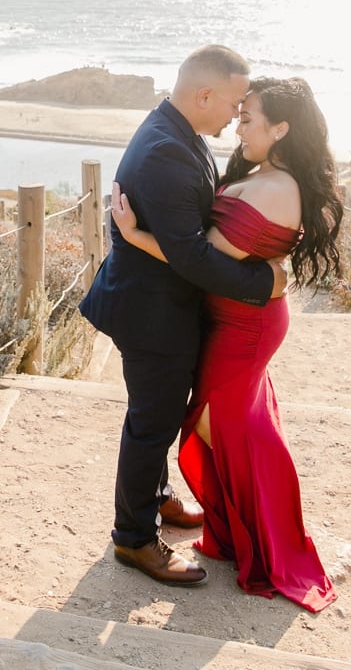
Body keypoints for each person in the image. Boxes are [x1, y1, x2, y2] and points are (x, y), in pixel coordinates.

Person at [111, 75, 344, 612]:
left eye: (249, 117)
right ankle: (241, 532)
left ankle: (270, 539)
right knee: (222, 424)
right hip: (235, 318)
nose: (238, 126)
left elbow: (200, 262)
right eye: (237, 114)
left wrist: (134, 236)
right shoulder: (265, 173)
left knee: (228, 426)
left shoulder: (273, 187)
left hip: (245, 327)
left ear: (281, 128)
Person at [78, 45, 287, 588]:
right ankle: (134, 539)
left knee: (164, 413)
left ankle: (156, 495)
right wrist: (265, 283)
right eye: (235, 102)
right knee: (151, 424)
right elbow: (192, 256)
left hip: (158, 305)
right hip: (152, 314)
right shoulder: (166, 152)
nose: (236, 115)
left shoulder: (177, 129)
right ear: (204, 95)